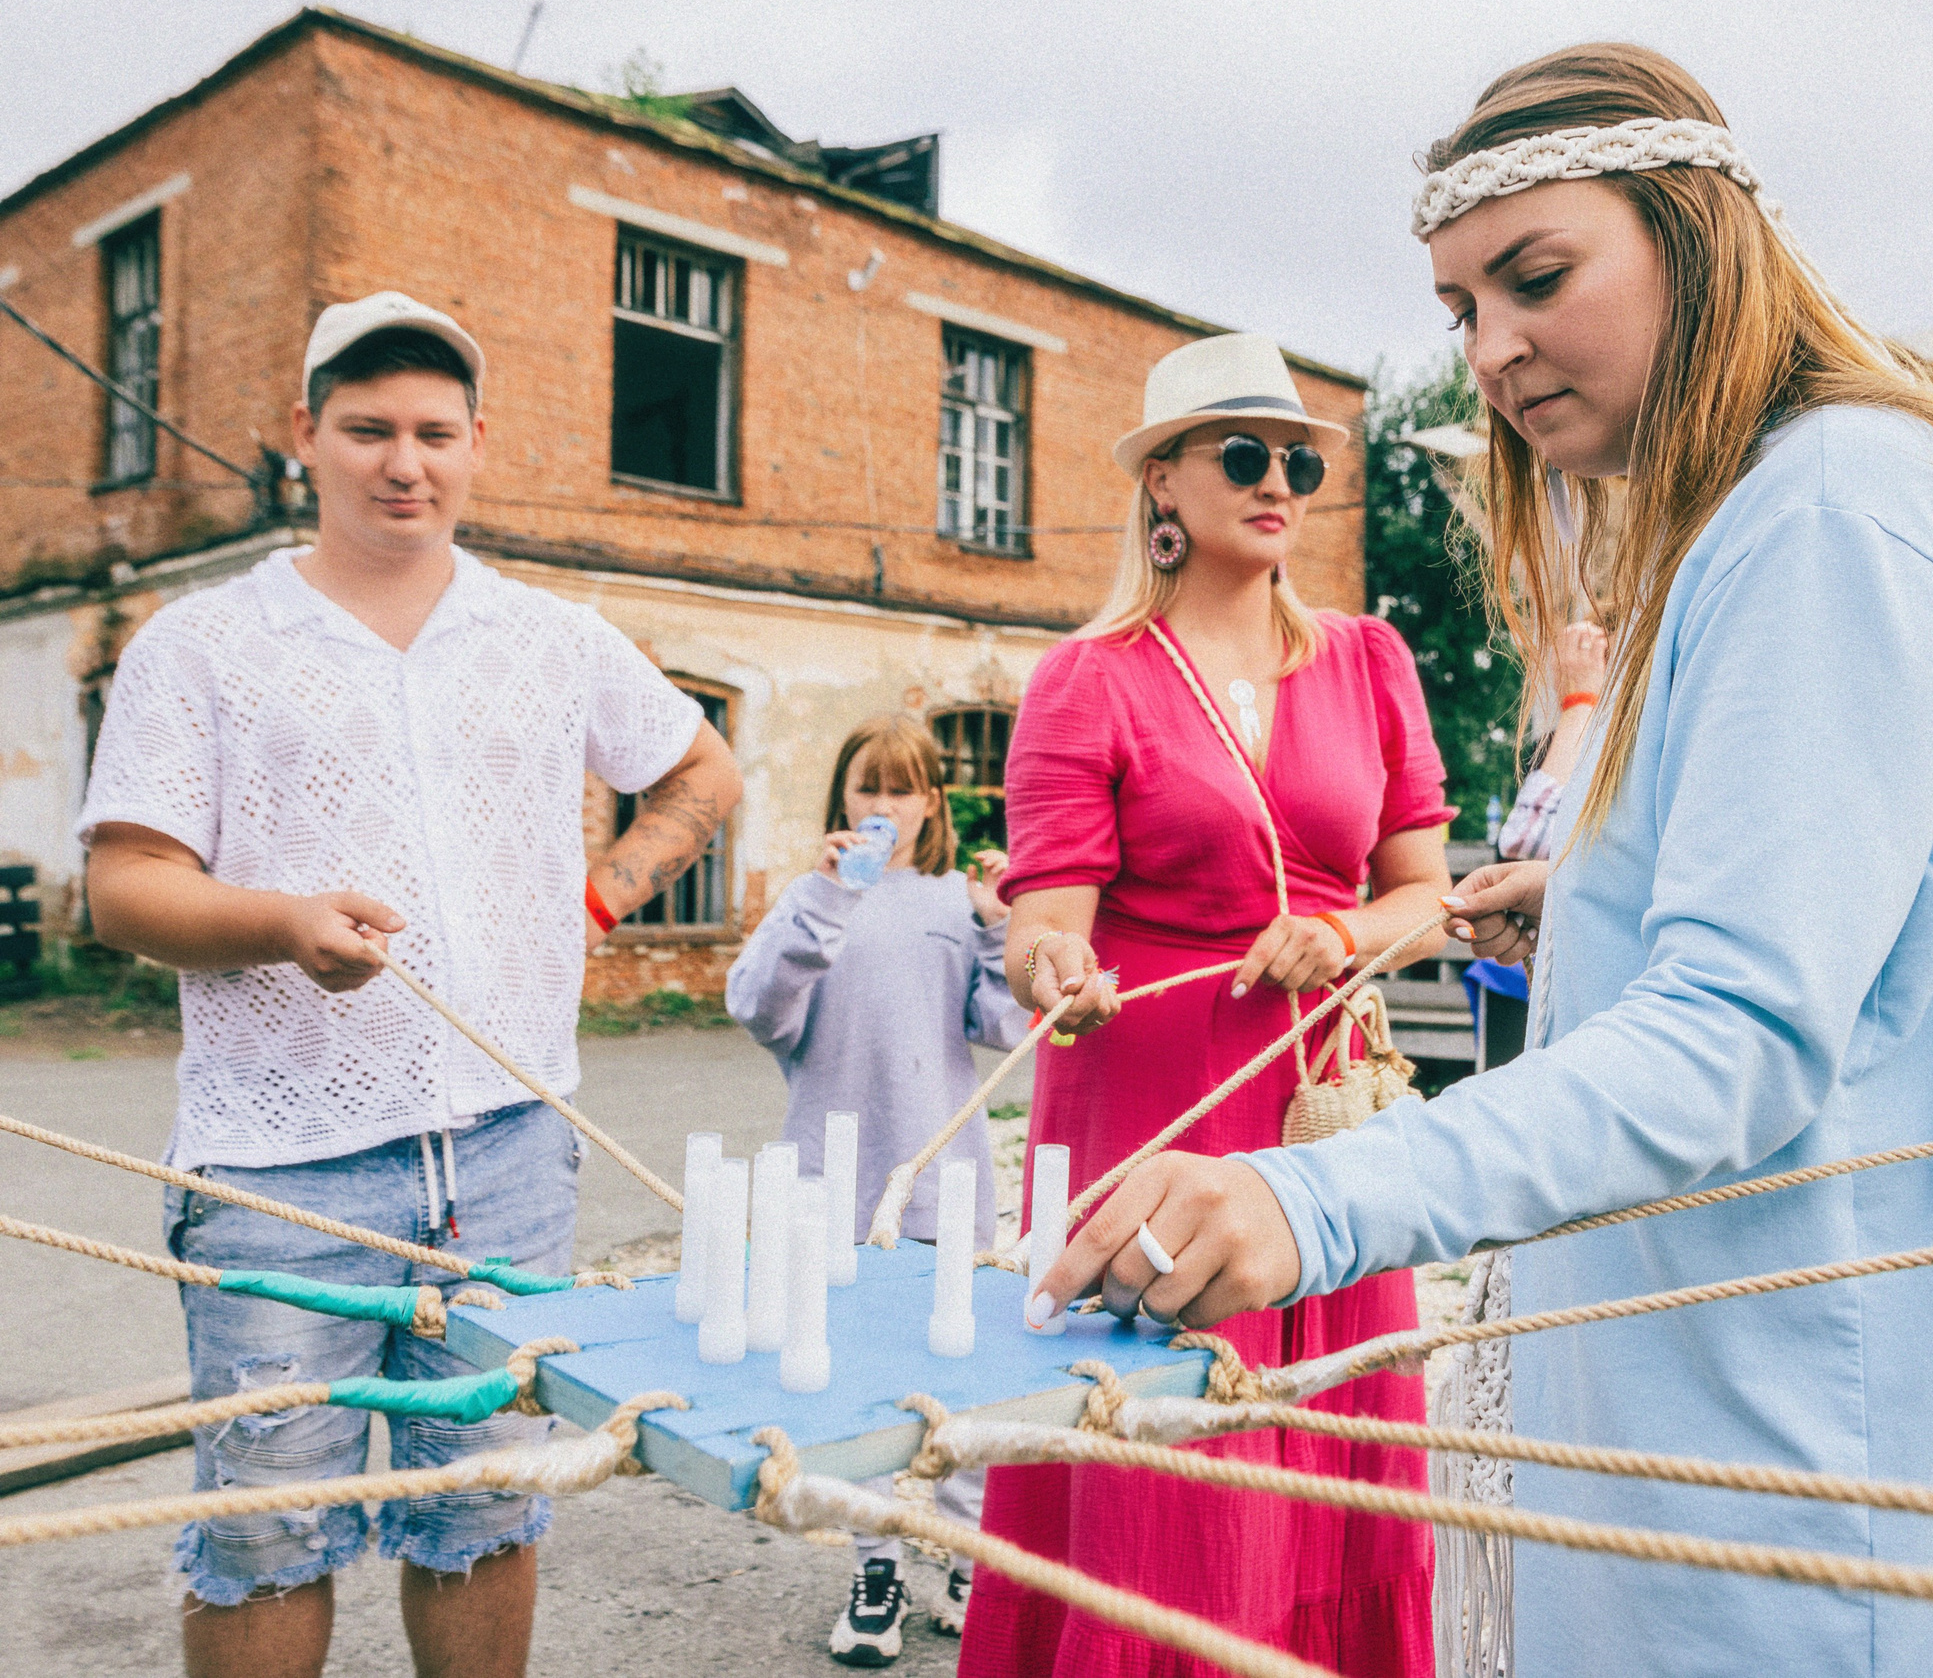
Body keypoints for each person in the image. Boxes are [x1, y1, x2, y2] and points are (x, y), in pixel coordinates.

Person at [1033, 45, 1933, 1677]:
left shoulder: (1828, 507)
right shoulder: (1809, 502)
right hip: (1828, 1437)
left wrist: (1313, 1195)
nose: (1490, 351)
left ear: (1694, 235)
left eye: (1538, 276)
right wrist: (1588, 899)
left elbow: (1740, 1035)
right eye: (1457, 309)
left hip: (1808, 1476)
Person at [77, 293, 739, 1678]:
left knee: (486, 1513)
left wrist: (602, 892)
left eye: (435, 432)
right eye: (369, 428)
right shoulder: (200, 642)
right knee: (269, 1534)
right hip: (282, 1172)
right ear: (304, 435)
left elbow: (701, 772)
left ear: (478, 444)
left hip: (507, 1152)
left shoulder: (551, 636)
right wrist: (280, 923)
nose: (404, 462)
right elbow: (125, 884)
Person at [968, 332, 1456, 1677]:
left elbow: (1429, 896)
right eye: (1245, 453)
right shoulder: (1090, 675)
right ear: (1163, 486)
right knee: (1175, 1476)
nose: (1280, 478)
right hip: (1148, 1103)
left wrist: (1344, 927)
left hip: (1325, 1105)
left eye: (1299, 457)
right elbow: (1046, 913)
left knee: (1343, 1454)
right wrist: (1049, 971)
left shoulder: (1369, 659)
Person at [724, 714, 1025, 1665]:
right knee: (862, 1393)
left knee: (954, 1380)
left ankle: (967, 1559)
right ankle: (877, 1568)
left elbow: (1009, 1026)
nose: (883, 804)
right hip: (830, 1188)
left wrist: (999, 924)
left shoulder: (950, 900)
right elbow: (758, 1008)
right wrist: (826, 899)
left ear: (931, 803)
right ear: (842, 799)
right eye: (867, 786)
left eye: (902, 787)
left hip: (946, 1182)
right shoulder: (813, 898)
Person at [1473, 617, 1608, 1066]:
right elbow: (1519, 855)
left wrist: (1580, 701)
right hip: (1530, 977)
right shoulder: (1558, 747)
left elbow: (1526, 845)